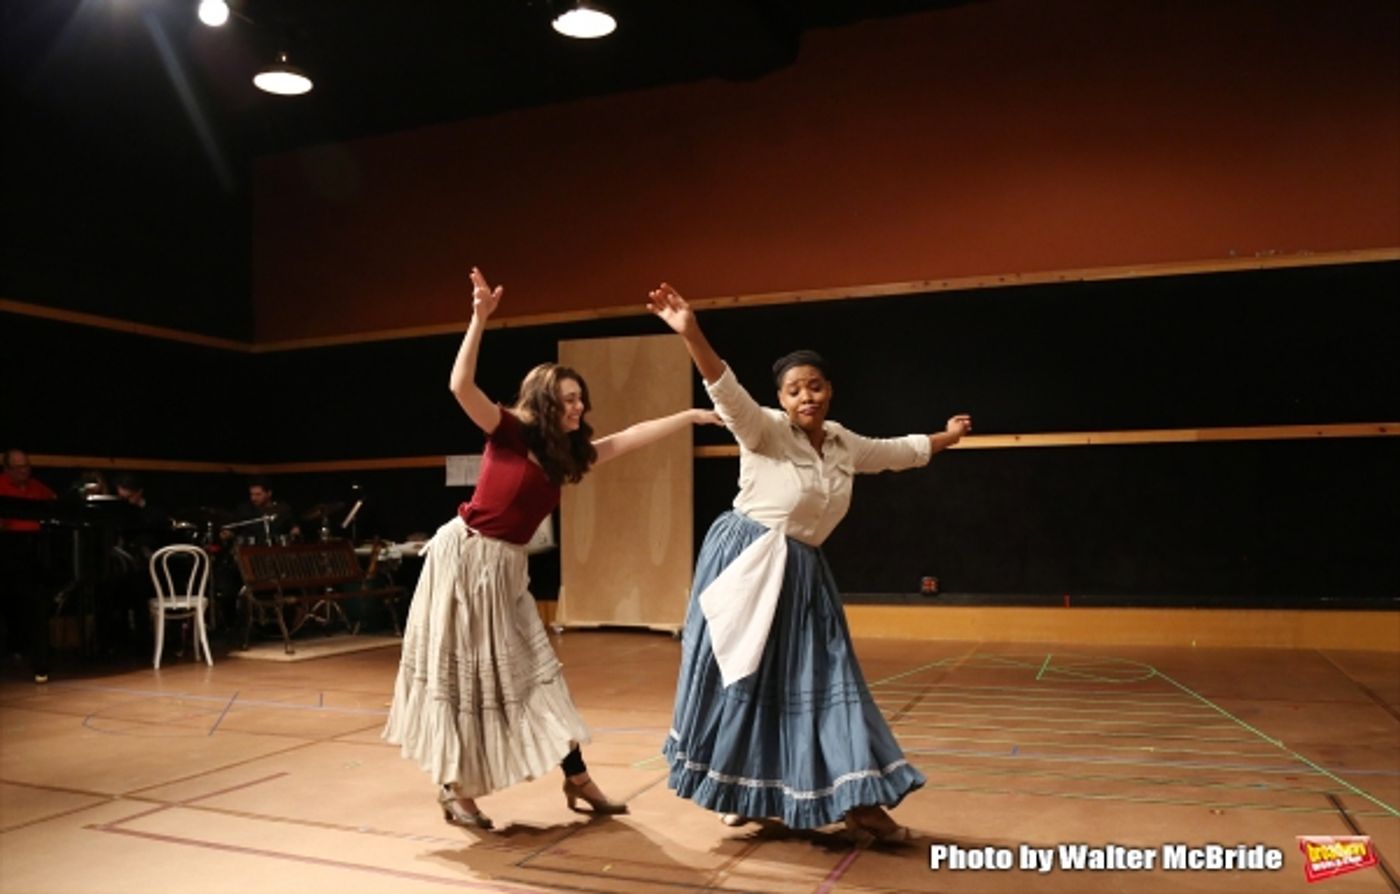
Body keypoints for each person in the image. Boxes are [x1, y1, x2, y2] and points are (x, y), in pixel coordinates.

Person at [383, 267, 721, 831]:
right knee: (469, 684)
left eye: (581, 401)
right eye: (568, 400)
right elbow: (459, 387)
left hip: (505, 573)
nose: (578, 409)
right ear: (543, 400)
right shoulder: (507, 431)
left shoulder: (570, 453)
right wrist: (478, 318)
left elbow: (627, 438)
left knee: (540, 677)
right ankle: (456, 790)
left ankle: (577, 777)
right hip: (465, 563)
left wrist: (686, 415)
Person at [647, 283, 972, 843]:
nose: (807, 397)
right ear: (781, 397)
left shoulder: (844, 443)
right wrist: (691, 333)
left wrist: (949, 436)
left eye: (815, 387)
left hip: (801, 575)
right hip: (747, 564)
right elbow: (726, 391)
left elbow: (901, 452)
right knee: (745, 686)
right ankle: (747, 793)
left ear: (829, 391)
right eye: (794, 389)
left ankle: (860, 801)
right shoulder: (763, 430)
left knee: (825, 681)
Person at [0, 448, 59, 683]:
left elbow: (55, 503)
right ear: (6, 469)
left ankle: (40, 661)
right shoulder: (1, 486)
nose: (25, 470)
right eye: (19, 467)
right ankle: (18, 648)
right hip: (7, 549)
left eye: (27, 465)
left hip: (36, 549)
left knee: (37, 602)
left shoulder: (37, 487)